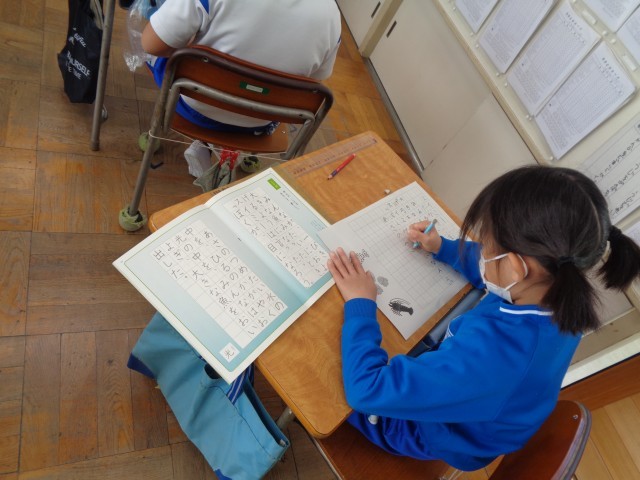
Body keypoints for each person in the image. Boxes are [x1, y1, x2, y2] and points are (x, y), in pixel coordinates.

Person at [326, 165, 640, 471]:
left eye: (488, 247)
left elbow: (367, 389)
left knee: (325, 373)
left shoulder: (493, 357)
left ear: (516, 268)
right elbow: (492, 270)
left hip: (423, 431)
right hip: (470, 398)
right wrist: (442, 247)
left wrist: (361, 303)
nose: (481, 253)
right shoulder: (560, 295)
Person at [140, 0, 341, 174]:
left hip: (193, 107)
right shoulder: (331, 15)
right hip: (260, 121)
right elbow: (314, 80)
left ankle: (161, 133)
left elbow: (151, 45)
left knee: (166, 50)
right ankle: (225, 151)